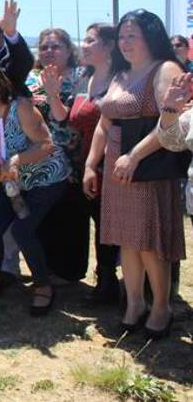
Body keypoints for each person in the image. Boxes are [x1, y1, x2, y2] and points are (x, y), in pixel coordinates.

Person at [84, 9, 185, 340]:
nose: (125, 43)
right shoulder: (120, 75)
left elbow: (170, 124)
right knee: (126, 240)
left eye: (133, 36)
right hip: (118, 167)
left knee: (147, 242)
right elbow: (104, 123)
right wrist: (91, 163)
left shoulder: (165, 69)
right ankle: (134, 303)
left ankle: (161, 307)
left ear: (150, 37)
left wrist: (132, 155)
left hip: (146, 167)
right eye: (123, 36)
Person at [0, 64, 70, 316]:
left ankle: (43, 286)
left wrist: (15, 161)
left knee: (23, 230)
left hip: (46, 179)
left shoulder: (20, 108)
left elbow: (47, 145)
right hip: (12, 185)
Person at [27, 28, 89, 285]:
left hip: (71, 157)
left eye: (56, 46)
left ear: (68, 50)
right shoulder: (31, 79)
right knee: (44, 215)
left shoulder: (80, 77)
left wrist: (52, 93)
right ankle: (47, 268)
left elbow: (68, 119)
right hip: (40, 158)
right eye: (44, 47)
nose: (49, 51)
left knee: (70, 215)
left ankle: (69, 271)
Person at [71, 23, 120, 302]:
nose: (84, 45)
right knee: (97, 225)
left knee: (108, 228)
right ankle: (104, 279)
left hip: (110, 164)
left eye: (91, 40)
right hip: (84, 164)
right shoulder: (83, 78)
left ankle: (108, 282)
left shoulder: (120, 79)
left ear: (109, 46)